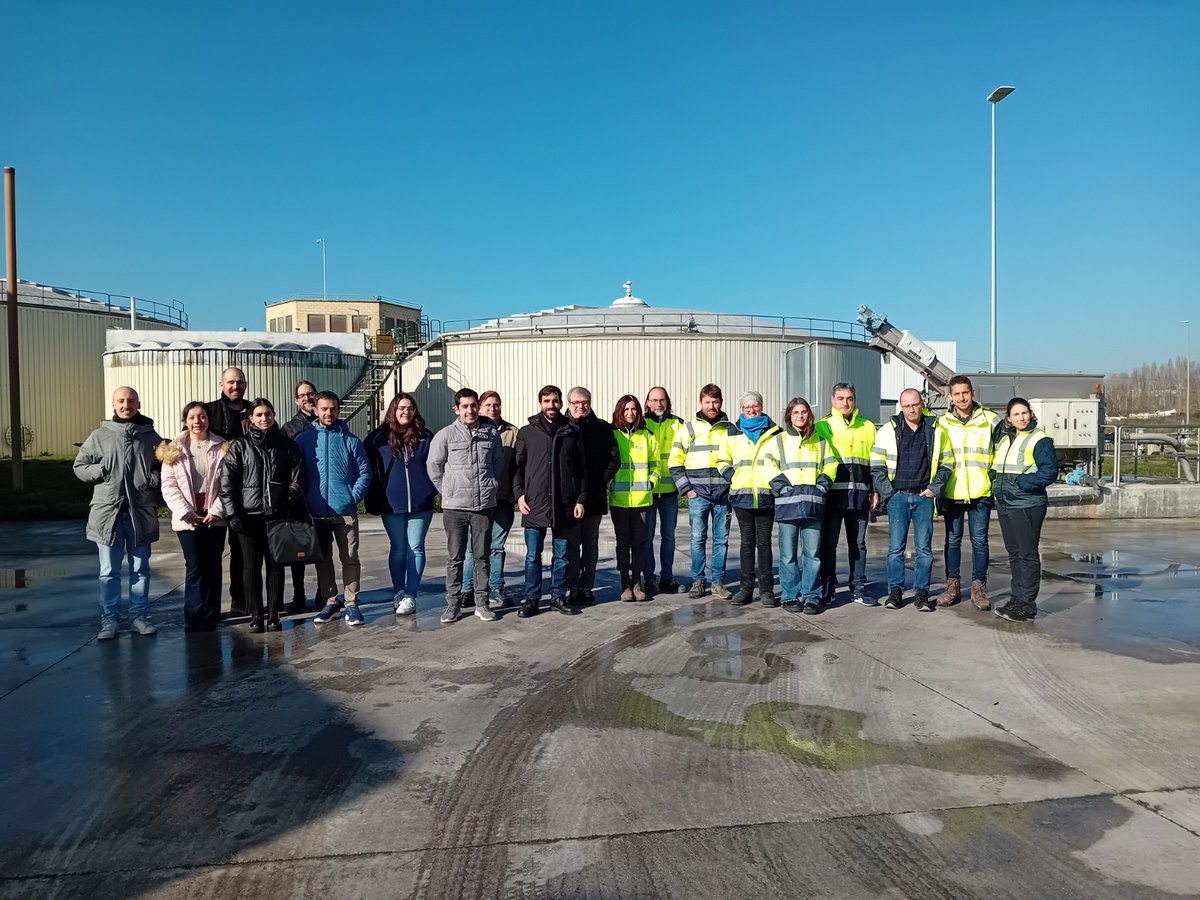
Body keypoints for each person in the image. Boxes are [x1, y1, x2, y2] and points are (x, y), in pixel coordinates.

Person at [73, 386, 163, 640]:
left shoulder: (151, 437)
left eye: (131, 400)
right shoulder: (100, 435)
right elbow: (80, 466)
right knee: (108, 571)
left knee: (141, 568)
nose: (126, 405)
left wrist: (152, 478)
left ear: (139, 403)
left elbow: (164, 467)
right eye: (121, 401)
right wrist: (100, 471)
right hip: (107, 513)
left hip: (140, 513)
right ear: (114, 405)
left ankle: (139, 617)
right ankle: (109, 620)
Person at [219, 398, 303, 633]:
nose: (264, 418)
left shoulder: (287, 445)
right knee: (251, 567)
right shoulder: (239, 446)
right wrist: (233, 513)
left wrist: (285, 500)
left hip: (277, 516)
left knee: (276, 567)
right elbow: (228, 483)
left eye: (268, 414)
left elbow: (298, 478)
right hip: (249, 516)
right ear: (251, 419)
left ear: (274, 415)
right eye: (259, 415)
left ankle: (274, 614)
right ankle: (256, 615)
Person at [427, 388, 503, 625]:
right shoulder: (446, 435)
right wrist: (448, 491)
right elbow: (434, 466)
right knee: (455, 558)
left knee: (482, 556)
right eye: (465, 406)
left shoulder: (491, 434)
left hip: (483, 507)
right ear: (457, 409)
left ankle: (482, 603)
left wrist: (490, 486)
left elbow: (497, 463)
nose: (470, 410)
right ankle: (453, 604)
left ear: (477, 407)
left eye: (473, 405)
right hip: (455, 508)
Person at [870, 388, 949, 612]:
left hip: (924, 497)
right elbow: (876, 466)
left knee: (924, 549)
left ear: (922, 404)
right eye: (907, 406)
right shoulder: (888, 431)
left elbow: (947, 462)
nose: (912, 409)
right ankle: (895, 592)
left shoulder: (935, 430)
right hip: (898, 497)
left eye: (915, 404)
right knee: (896, 549)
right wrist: (889, 494)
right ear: (901, 407)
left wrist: (935, 488)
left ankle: (921, 594)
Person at [513, 385, 588, 617]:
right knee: (532, 556)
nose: (551, 405)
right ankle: (532, 599)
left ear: (560, 403)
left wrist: (580, 499)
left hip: (564, 504)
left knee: (562, 556)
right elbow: (518, 467)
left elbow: (582, 470)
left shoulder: (571, 432)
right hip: (534, 503)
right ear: (540, 403)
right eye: (547, 401)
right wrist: (519, 494)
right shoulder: (527, 432)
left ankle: (557, 596)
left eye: (555, 401)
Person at [298, 391, 372, 627]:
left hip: (344, 510)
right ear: (316, 410)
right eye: (324, 409)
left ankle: (351, 603)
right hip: (316, 511)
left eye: (333, 409)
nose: (329, 413)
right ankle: (331, 601)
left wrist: (353, 496)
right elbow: (297, 474)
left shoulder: (351, 440)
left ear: (338, 410)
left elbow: (364, 472)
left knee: (349, 557)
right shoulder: (304, 440)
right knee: (323, 559)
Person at [157, 402, 229, 632]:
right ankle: (195, 614)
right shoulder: (173, 449)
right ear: (185, 421)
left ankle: (212, 612)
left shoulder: (222, 447)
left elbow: (227, 485)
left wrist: (216, 511)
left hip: (214, 515)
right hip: (187, 516)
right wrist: (185, 512)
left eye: (202, 416)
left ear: (208, 419)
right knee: (196, 564)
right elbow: (168, 486)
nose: (198, 421)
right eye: (192, 417)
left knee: (213, 564)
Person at [764, 397, 839, 614]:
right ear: (789, 415)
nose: (800, 416)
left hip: (812, 505)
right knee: (788, 555)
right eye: (796, 412)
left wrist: (821, 487)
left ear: (809, 414)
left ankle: (811, 596)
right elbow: (768, 465)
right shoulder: (777, 441)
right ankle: (790, 596)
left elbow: (831, 464)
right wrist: (784, 488)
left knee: (813, 554)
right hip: (788, 505)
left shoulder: (821, 441)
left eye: (804, 412)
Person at [365, 392, 436, 617]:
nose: (406, 411)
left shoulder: (425, 436)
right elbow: (365, 465)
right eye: (401, 408)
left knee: (415, 547)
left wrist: (431, 489)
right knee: (398, 548)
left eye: (410, 408)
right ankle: (398, 591)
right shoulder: (378, 437)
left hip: (420, 503)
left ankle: (411, 595)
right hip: (391, 503)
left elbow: (437, 465)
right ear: (393, 411)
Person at [990, 397, 1058, 623]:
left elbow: (1048, 472)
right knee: (1015, 554)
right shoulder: (1007, 439)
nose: (1021, 417)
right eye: (1016, 414)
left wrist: (1021, 484)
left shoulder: (1040, 439)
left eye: (1024, 413)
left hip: (1026, 505)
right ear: (1009, 419)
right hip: (1006, 503)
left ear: (1031, 414)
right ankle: (1017, 599)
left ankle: (1027, 604)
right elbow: (997, 466)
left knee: (1027, 554)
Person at [936, 375, 1000, 611]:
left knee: (980, 541)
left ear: (972, 392)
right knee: (952, 540)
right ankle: (952, 586)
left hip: (980, 491)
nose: (962, 398)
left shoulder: (991, 420)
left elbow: (1001, 454)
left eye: (965, 393)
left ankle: (978, 588)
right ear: (950, 396)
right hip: (952, 491)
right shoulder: (941, 423)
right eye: (957, 394)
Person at [815, 382, 879, 606]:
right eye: (840, 398)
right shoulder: (822, 426)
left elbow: (875, 462)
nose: (845, 403)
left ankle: (858, 588)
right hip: (832, 497)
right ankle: (828, 586)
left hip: (860, 496)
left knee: (858, 545)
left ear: (855, 400)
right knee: (828, 543)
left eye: (849, 398)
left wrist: (875, 490)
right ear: (833, 400)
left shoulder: (868, 426)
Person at [669, 383, 734, 600]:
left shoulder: (730, 429)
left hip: (723, 496)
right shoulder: (688, 428)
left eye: (715, 402)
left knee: (721, 540)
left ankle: (718, 582)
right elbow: (674, 462)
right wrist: (687, 490)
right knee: (697, 539)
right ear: (701, 403)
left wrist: (732, 486)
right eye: (707, 402)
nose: (712, 406)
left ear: (721, 402)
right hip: (698, 495)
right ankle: (698, 581)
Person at [462, 390, 518, 610]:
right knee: (471, 548)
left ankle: (495, 587)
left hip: (503, 499)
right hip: (476, 500)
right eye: (488, 405)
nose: (492, 408)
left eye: (496, 404)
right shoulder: (471, 430)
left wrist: (516, 493)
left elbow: (518, 466)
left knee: (496, 546)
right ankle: (467, 589)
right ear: (479, 407)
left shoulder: (512, 433)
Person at [204, 367, 253, 617]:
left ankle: (241, 601)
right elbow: (191, 435)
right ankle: (209, 606)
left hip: (246, 492)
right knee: (211, 554)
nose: (236, 386)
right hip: (215, 491)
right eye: (231, 382)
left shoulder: (254, 410)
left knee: (242, 551)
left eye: (240, 382)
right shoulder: (209, 411)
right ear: (221, 383)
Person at [727, 391, 783, 607]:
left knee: (765, 544)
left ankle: (767, 590)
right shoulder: (733, 432)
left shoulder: (775, 432)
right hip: (742, 496)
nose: (751, 410)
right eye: (747, 407)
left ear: (761, 406)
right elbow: (722, 459)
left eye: (755, 406)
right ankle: (746, 589)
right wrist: (732, 476)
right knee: (747, 544)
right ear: (741, 410)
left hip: (766, 495)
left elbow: (780, 459)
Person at [565, 386, 619, 605]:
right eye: (576, 402)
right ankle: (571, 587)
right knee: (570, 546)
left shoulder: (603, 429)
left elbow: (615, 460)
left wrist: (599, 481)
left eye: (584, 402)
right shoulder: (561, 427)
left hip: (594, 498)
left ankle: (586, 587)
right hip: (568, 498)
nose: (580, 406)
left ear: (590, 402)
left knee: (590, 545)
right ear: (569, 404)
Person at [609, 395, 658, 601]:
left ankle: (637, 583)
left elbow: (656, 465)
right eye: (626, 409)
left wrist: (651, 484)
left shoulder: (647, 436)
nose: (630, 413)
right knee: (623, 544)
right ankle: (624, 583)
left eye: (634, 409)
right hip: (619, 501)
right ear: (620, 411)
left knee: (640, 543)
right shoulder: (612, 435)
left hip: (642, 501)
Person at [281, 380, 318, 613]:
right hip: (300, 495)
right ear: (296, 400)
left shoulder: (328, 420)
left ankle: (326, 591)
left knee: (323, 545)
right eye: (302, 395)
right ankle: (298, 593)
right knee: (298, 549)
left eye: (310, 393)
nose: (307, 398)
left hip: (323, 494)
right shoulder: (290, 428)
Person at [642, 386, 684, 594]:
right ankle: (649, 578)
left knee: (669, 537)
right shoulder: (641, 424)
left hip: (670, 491)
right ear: (647, 402)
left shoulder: (678, 424)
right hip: (647, 491)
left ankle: (667, 578)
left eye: (662, 400)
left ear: (667, 401)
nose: (658, 404)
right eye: (654, 400)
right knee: (646, 538)